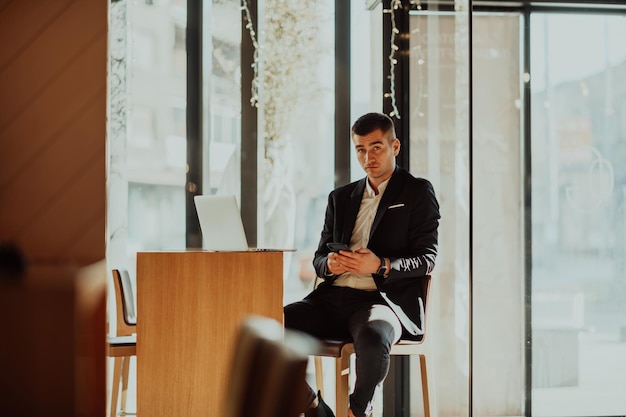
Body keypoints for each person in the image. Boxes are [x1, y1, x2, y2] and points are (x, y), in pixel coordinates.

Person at [285, 112, 440, 417]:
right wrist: (329, 263)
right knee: (270, 329)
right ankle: (315, 409)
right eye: (360, 149)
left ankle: (357, 411)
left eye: (376, 147)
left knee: (374, 337)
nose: (367, 157)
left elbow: (427, 259)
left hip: (382, 301)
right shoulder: (340, 198)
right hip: (331, 298)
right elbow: (318, 260)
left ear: (394, 146)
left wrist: (380, 265)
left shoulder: (417, 192)